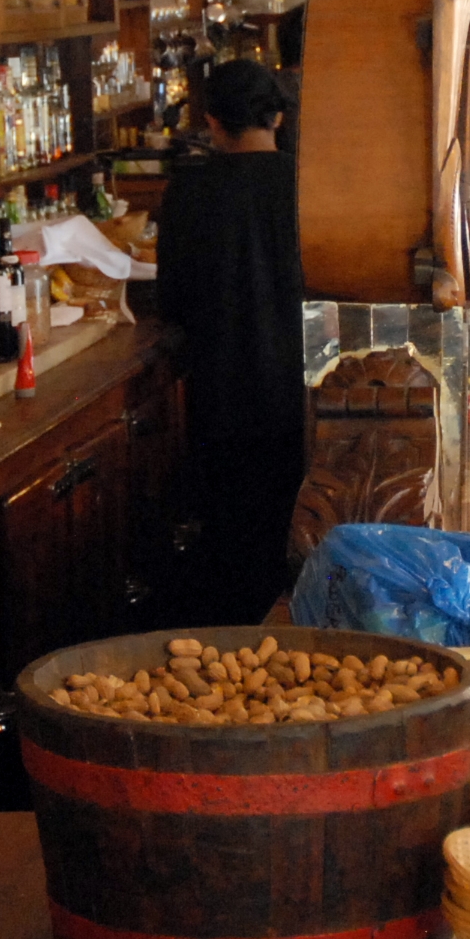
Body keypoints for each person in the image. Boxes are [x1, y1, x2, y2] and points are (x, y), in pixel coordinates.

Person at [154, 58, 307, 621]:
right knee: (290, 532)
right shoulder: (304, 185)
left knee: (229, 543)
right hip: (297, 387)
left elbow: (172, 299)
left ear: (212, 122)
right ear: (280, 117)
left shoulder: (189, 192)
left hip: (220, 390)